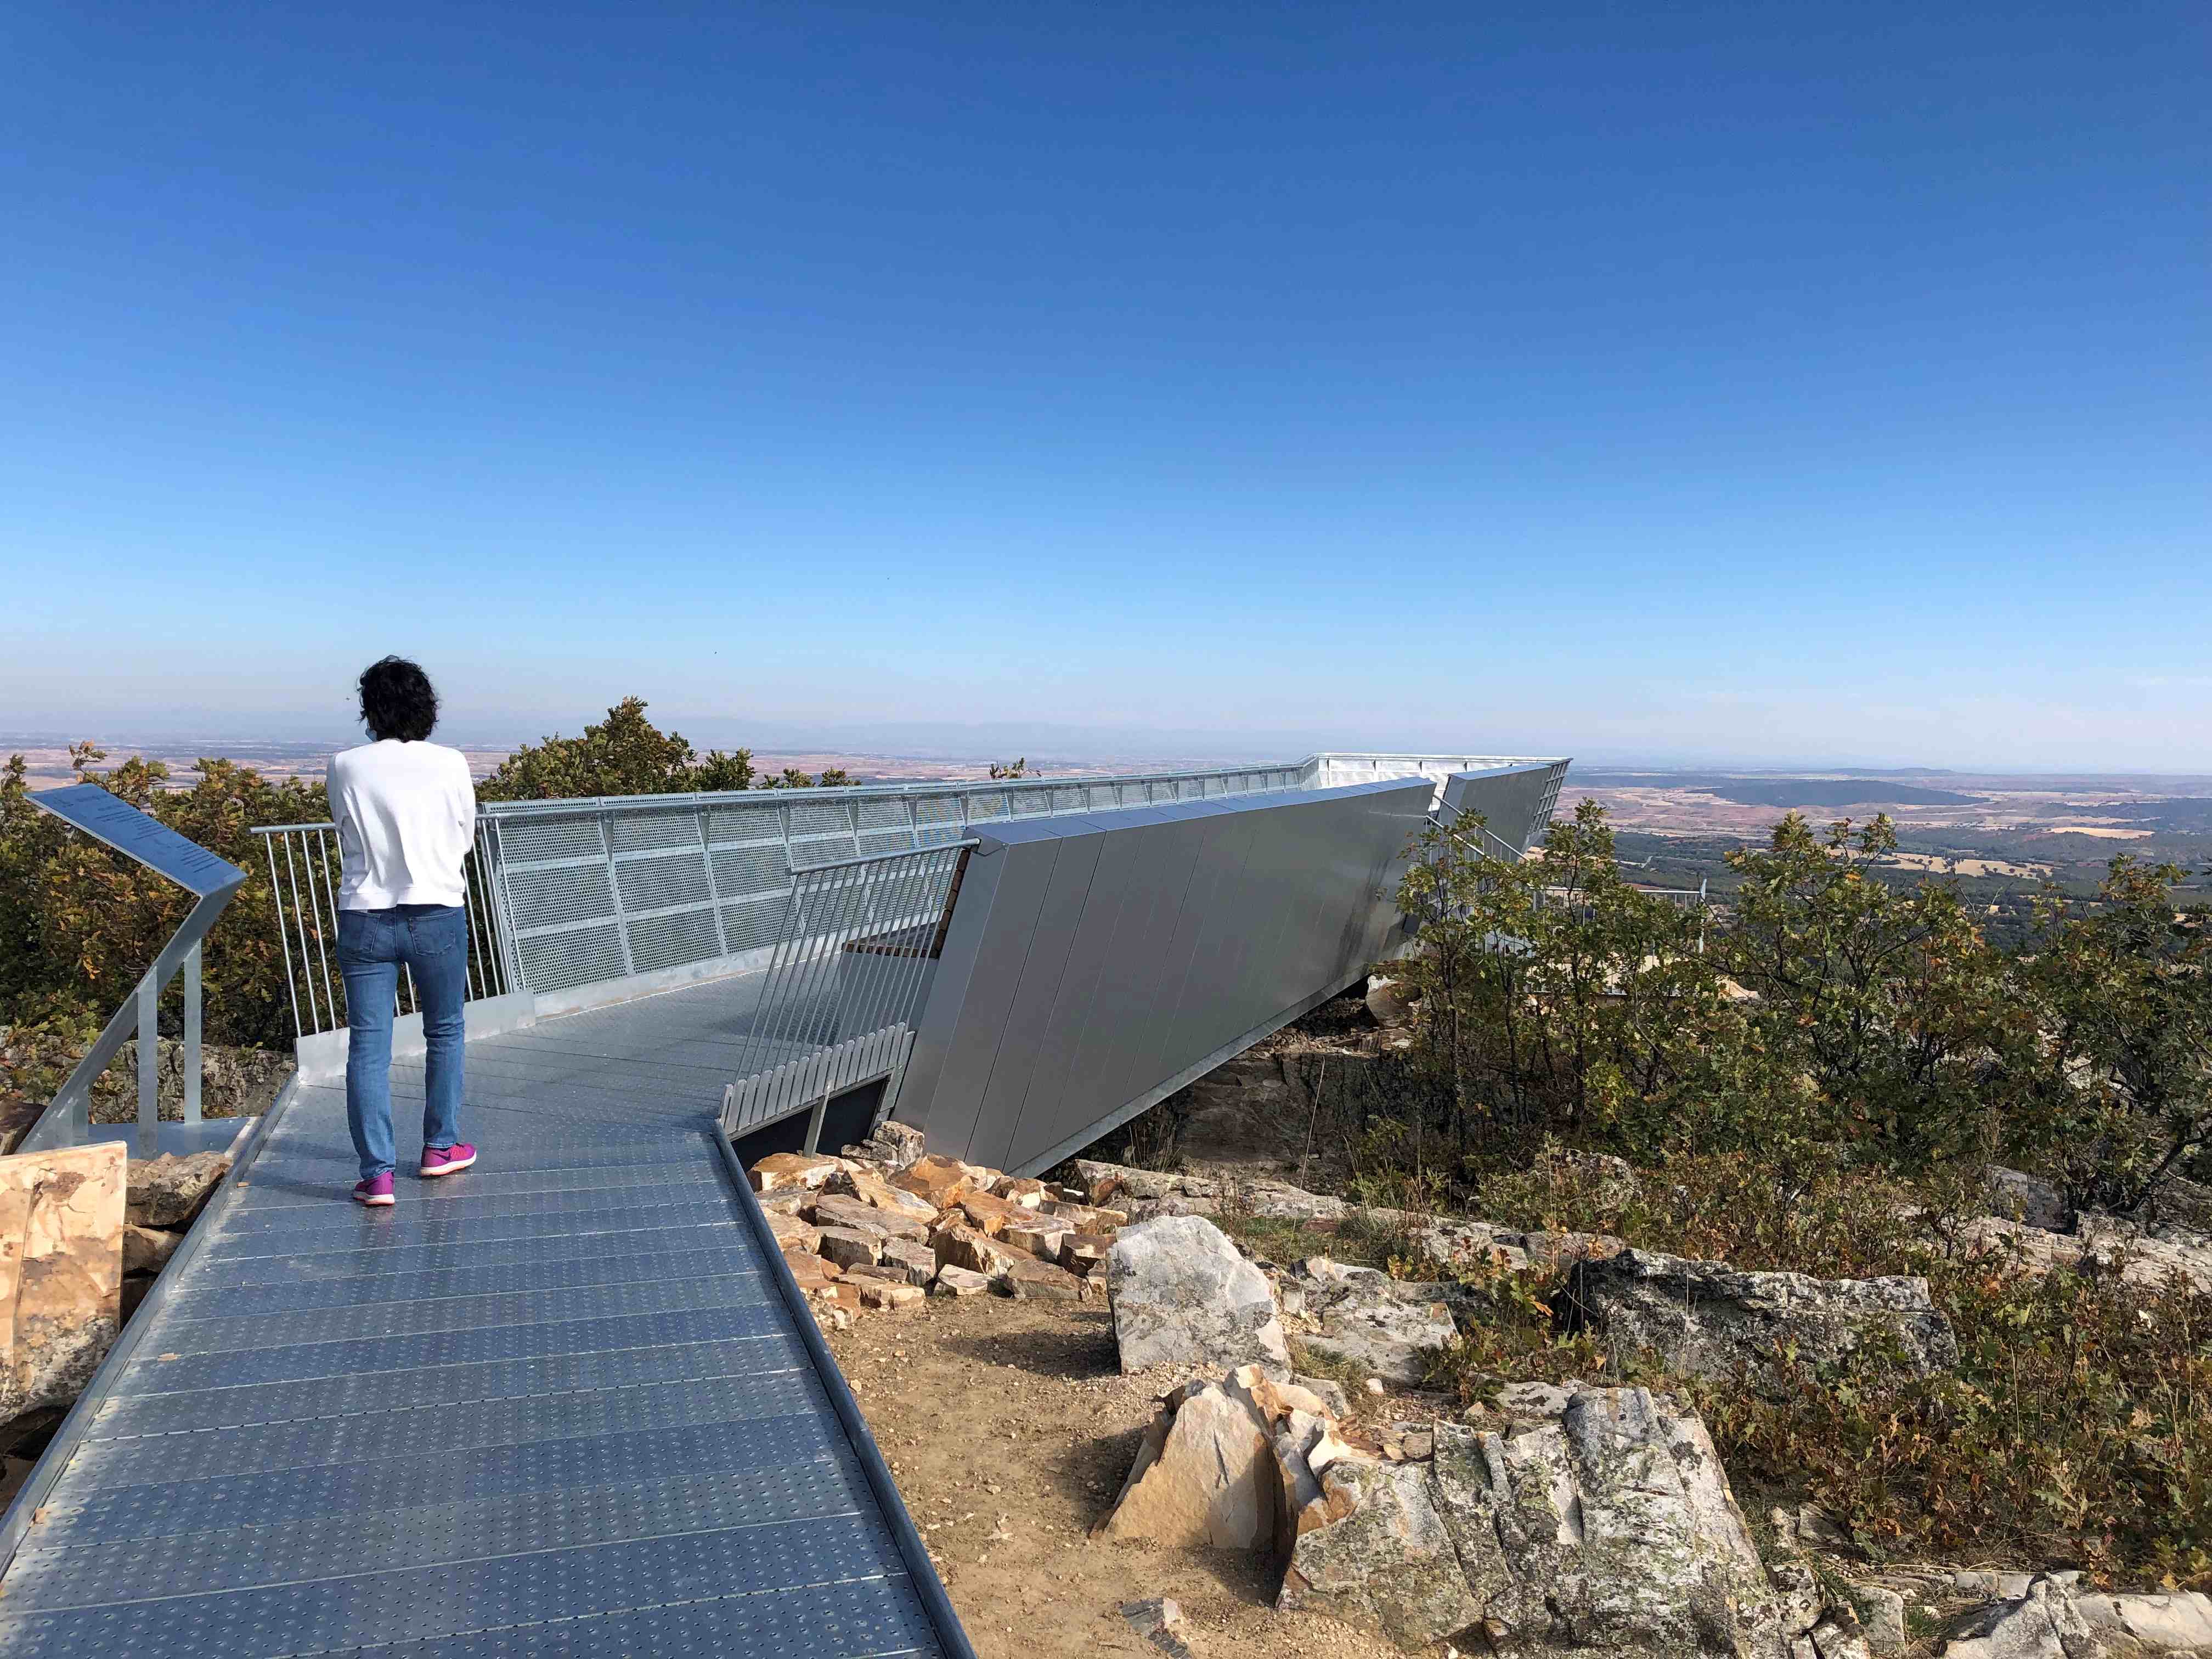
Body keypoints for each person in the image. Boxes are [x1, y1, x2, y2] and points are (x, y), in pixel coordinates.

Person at [328, 657, 481, 1205]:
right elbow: (464, 835)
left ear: (371, 707)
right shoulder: (451, 763)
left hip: (365, 914)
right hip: (437, 909)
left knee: (369, 1046)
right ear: (426, 707)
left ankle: (377, 1174)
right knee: (445, 1032)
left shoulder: (346, 765)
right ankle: (440, 1147)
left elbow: (342, 827)